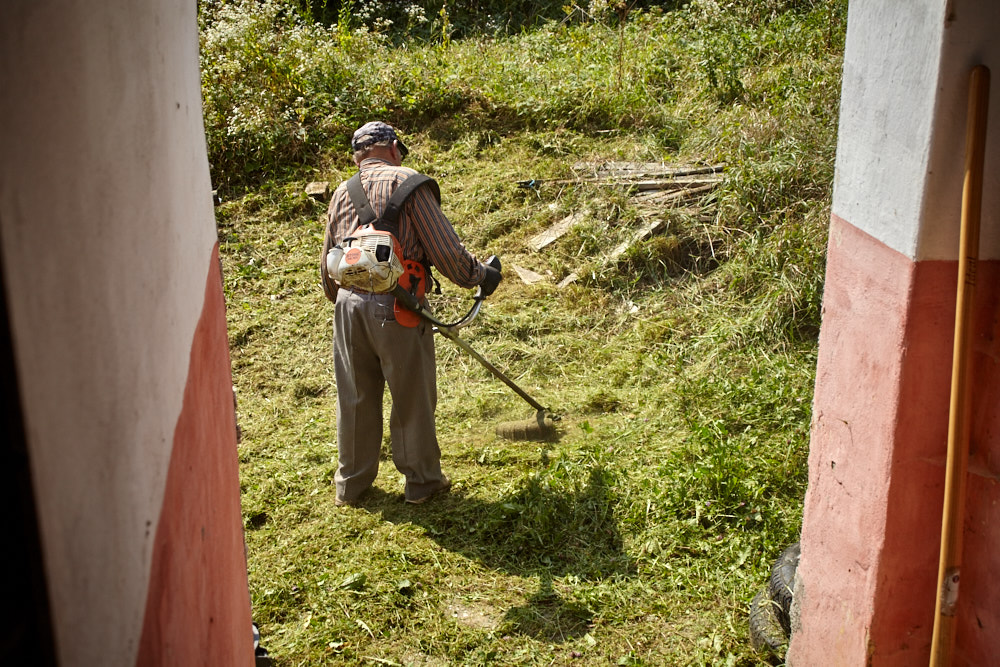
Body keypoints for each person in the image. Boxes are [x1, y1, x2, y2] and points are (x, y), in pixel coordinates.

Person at [320, 121, 502, 506]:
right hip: (399, 305)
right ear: (392, 148)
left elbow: (328, 263)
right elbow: (446, 251)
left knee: (354, 398)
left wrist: (347, 304)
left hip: (348, 306)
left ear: (357, 157)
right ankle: (421, 483)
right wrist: (480, 275)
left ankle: (351, 486)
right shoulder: (408, 182)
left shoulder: (341, 192)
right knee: (411, 397)